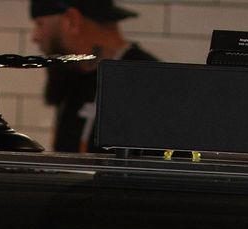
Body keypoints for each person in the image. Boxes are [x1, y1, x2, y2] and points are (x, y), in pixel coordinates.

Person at [29, 0, 157, 152]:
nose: (34, 37)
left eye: (40, 24)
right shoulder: (74, 74)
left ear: (72, 20)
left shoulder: (147, 80)